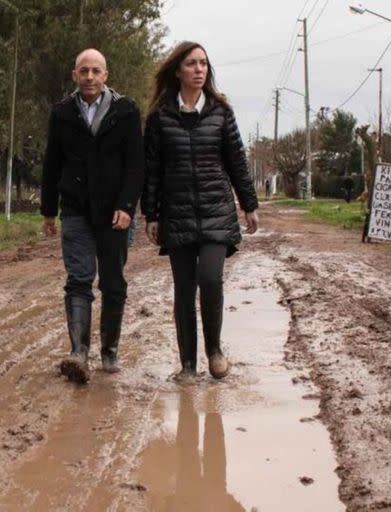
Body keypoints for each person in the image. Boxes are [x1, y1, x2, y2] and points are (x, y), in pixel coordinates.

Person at [142, 41, 259, 380]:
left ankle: (215, 351)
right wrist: (151, 213)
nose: (199, 70)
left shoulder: (221, 113)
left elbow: (237, 161)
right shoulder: (160, 117)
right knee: (183, 290)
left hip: (216, 211)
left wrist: (249, 204)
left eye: (204, 64)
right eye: (192, 64)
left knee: (210, 279)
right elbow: (153, 170)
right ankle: (188, 365)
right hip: (176, 213)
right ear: (177, 70)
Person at [41, 48, 144, 384]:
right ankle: (78, 352)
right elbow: (52, 163)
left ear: (106, 75)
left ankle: (109, 352)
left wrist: (127, 206)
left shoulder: (126, 112)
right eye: (83, 71)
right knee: (79, 278)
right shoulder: (61, 113)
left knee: (113, 282)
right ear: (74, 75)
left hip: (115, 212)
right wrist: (48, 211)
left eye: (95, 71)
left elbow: (135, 164)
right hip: (75, 210)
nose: (89, 77)